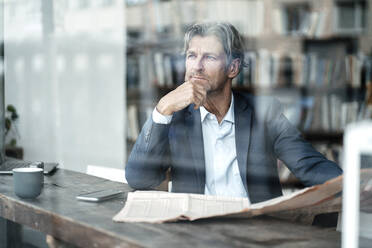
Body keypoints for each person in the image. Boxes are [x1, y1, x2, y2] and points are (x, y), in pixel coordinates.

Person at [125, 22, 342, 204]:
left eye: (209, 57)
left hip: (255, 231)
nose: (197, 67)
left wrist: (355, 186)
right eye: (192, 56)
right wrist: (161, 110)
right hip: (194, 233)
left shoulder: (263, 112)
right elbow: (140, 179)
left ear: (233, 68)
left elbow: (307, 164)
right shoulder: (174, 116)